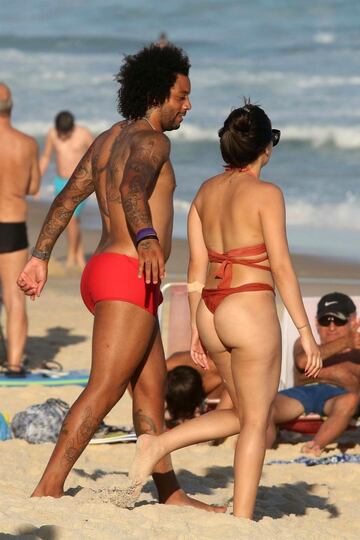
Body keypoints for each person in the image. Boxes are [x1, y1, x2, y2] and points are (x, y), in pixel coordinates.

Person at [17, 43, 223, 512]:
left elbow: (68, 197)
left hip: (108, 273)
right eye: (181, 96)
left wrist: (41, 255)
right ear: (156, 94)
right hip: (129, 273)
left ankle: (170, 494)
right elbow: (133, 190)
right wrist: (148, 237)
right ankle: (49, 487)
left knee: (150, 394)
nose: (187, 105)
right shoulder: (153, 140)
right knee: (105, 386)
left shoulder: (108, 138)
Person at [127, 101, 322, 519]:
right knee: (256, 420)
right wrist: (305, 332)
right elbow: (282, 266)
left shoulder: (205, 193)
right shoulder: (267, 194)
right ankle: (242, 519)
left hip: (211, 313)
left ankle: (160, 442)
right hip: (248, 307)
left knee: (242, 413)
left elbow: (196, 269)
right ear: (266, 147)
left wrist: (199, 327)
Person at [267, 292, 360, 455]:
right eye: (326, 321)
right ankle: (261, 448)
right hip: (301, 395)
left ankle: (315, 446)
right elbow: (303, 362)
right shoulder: (305, 343)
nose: (332, 327)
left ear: (352, 322)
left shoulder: (356, 355)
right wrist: (346, 341)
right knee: (264, 405)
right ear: (317, 324)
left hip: (339, 399)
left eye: (339, 321)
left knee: (350, 400)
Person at [0, 82, 40, 376]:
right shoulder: (26, 144)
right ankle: (14, 364)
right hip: (12, 223)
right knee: (14, 299)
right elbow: (33, 186)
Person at [40, 111, 93, 269]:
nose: (62, 137)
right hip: (59, 183)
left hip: (80, 183)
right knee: (72, 221)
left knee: (71, 220)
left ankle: (71, 257)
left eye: (66, 134)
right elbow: (45, 157)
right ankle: (79, 256)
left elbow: (98, 156)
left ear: (72, 129)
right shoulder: (52, 134)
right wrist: (36, 182)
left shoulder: (83, 134)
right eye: (60, 134)